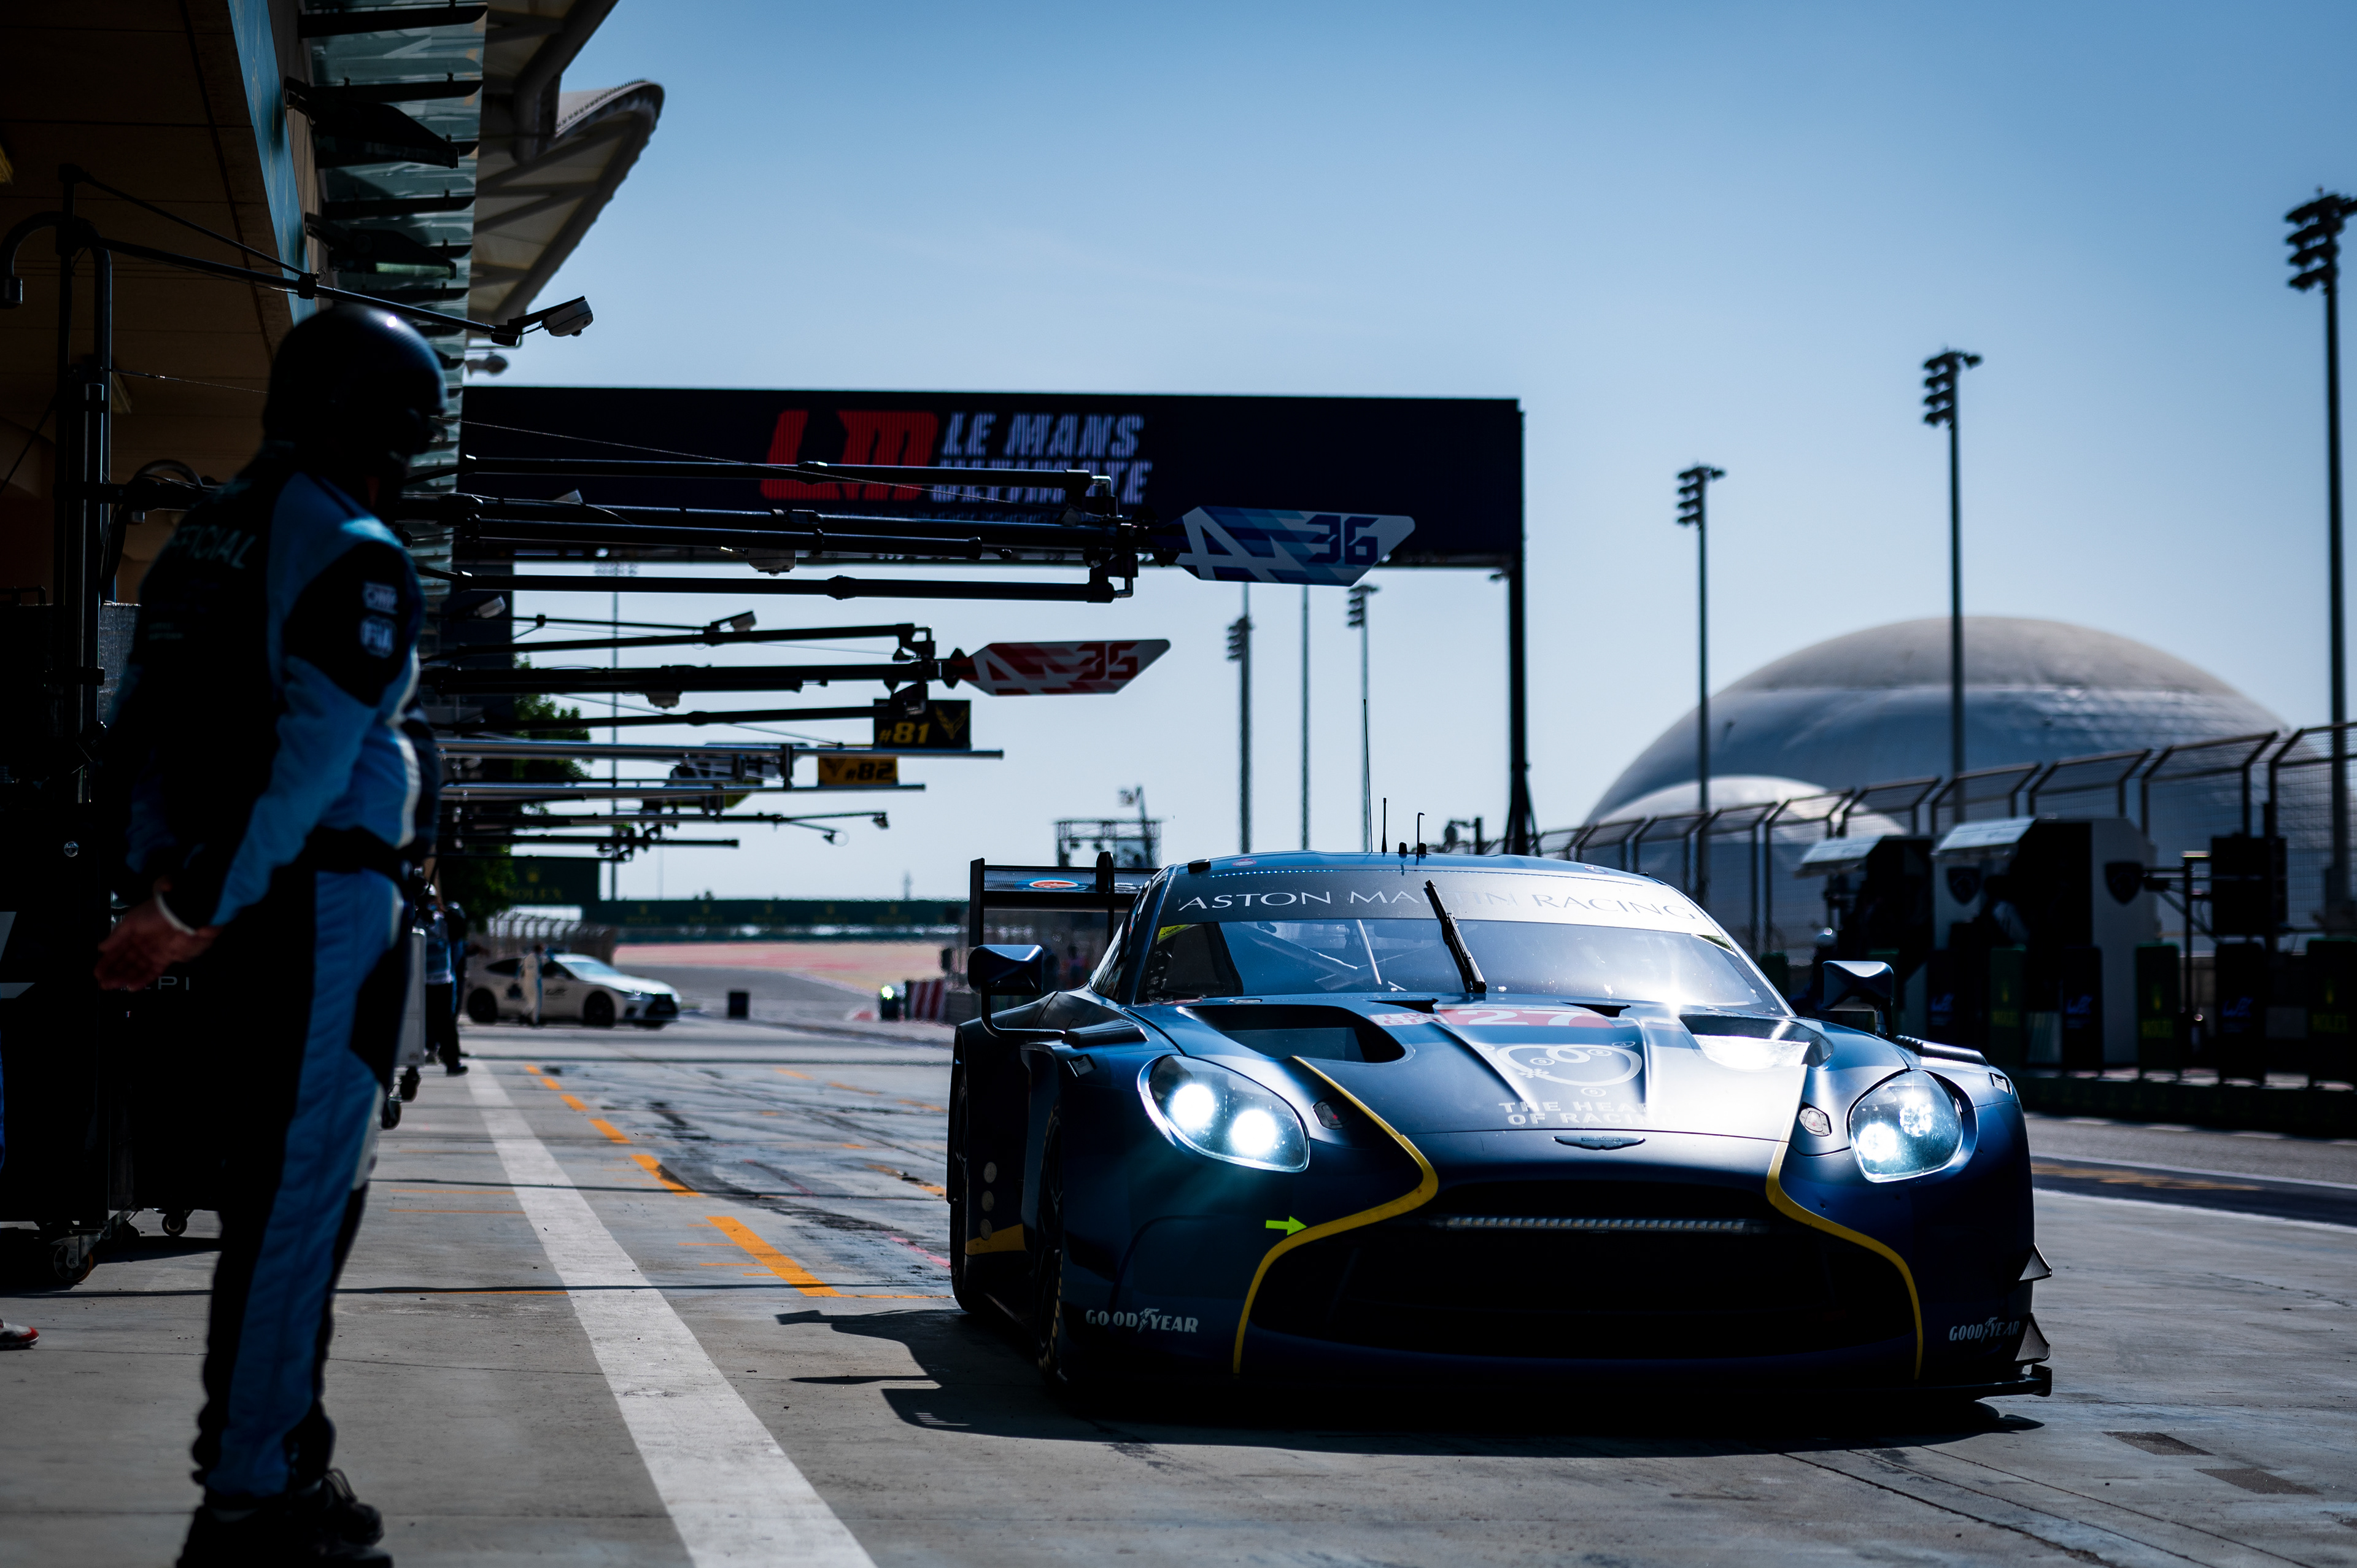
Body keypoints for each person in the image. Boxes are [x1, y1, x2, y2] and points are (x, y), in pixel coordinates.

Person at [95, 303, 446, 1567]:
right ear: (383, 429)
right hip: (312, 908)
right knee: (298, 1208)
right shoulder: (351, 549)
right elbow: (306, 765)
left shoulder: (202, 538)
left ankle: (279, 1444)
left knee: (275, 1203)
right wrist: (192, 908)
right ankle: (254, 1493)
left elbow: (143, 731)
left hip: (236, 907)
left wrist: (161, 892)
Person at [420, 886, 463, 1074]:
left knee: (447, 1024)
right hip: (421, 984)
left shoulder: (443, 923)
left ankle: (452, 1062)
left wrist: (447, 912)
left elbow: (458, 925)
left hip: (442, 982)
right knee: (419, 1021)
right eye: (426, 901)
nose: (430, 905)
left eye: (432, 901)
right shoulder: (415, 922)